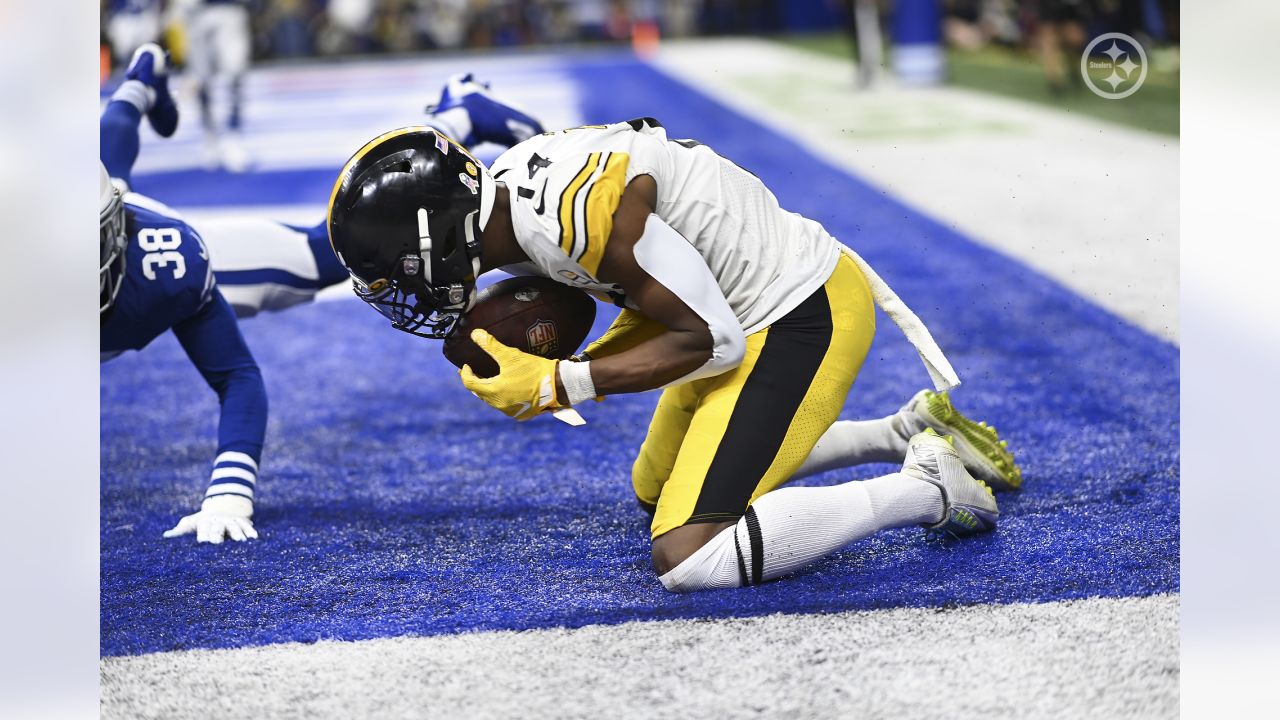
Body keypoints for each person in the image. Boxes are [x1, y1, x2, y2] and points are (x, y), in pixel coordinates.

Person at [326, 114, 1023, 592]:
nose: (402, 294)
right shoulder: (511, 184)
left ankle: (926, 487)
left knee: (688, 553)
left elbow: (711, 343)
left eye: (396, 275)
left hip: (797, 312)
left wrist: (560, 384)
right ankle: (901, 431)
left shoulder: (584, 222)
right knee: (656, 491)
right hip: (736, 307)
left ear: (439, 240)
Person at [101, 44, 545, 543]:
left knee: (340, 249)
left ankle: (458, 116)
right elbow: (108, 156)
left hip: (145, 257)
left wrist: (229, 492)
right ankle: (141, 75)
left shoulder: (167, 266)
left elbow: (237, 377)